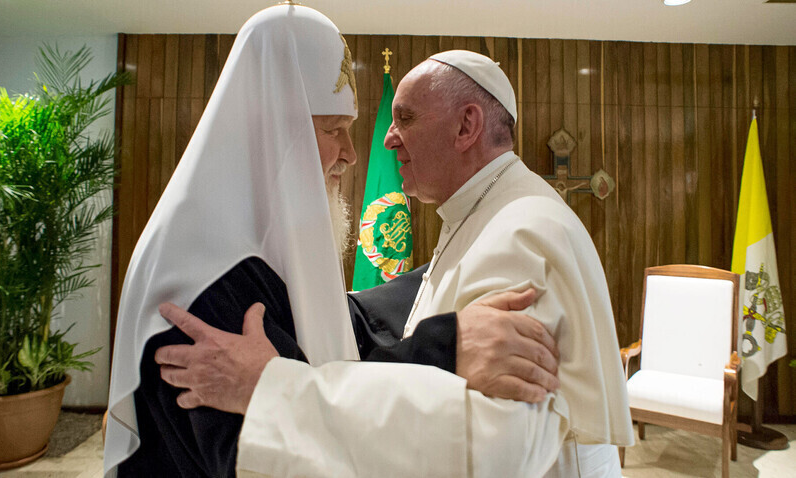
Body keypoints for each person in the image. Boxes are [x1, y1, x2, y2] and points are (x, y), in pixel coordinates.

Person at [104, 5, 560, 478]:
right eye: (332, 130)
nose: (350, 153)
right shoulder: (202, 275)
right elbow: (265, 459)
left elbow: (341, 328)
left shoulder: (239, 242)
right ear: (272, 128)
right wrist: (448, 349)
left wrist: (453, 265)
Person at [156, 50, 636, 477]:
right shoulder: (487, 211)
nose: (386, 140)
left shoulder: (522, 232)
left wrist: (274, 388)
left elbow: (500, 449)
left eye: (403, 118)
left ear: (466, 126)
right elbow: (426, 288)